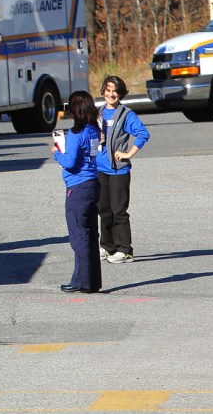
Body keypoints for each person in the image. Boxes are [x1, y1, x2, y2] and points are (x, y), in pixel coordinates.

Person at [52, 90, 102, 294]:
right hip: (92, 183)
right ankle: (92, 280)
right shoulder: (92, 130)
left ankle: (81, 280)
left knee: (79, 236)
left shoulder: (75, 133)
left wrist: (57, 154)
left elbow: (70, 162)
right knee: (90, 234)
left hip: (77, 186)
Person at [97, 75, 150, 264]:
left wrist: (129, 154)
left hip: (118, 170)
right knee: (103, 209)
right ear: (103, 91)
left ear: (121, 94)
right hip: (100, 168)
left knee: (118, 210)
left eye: (115, 91)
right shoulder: (99, 113)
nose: (111, 94)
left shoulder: (126, 114)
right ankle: (107, 246)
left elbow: (143, 133)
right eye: (108, 90)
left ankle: (125, 250)